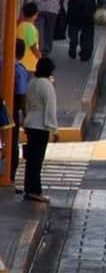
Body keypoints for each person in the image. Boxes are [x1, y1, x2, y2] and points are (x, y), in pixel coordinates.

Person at [23, 58, 59, 203]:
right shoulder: (47, 85)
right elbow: (50, 108)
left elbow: (27, 103)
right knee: (37, 159)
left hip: (30, 123)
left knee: (30, 159)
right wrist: (54, 129)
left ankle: (28, 189)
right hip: (40, 126)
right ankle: (36, 191)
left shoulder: (32, 82)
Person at [0, 39, 30, 193]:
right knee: (11, 146)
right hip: (9, 114)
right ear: (22, 53)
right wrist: (25, 116)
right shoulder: (19, 70)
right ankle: (8, 178)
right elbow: (21, 95)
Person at [16, 3, 41, 73]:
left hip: (20, 61)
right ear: (36, 15)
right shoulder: (30, 28)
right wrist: (39, 56)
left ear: (23, 13)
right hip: (29, 64)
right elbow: (33, 46)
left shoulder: (20, 25)